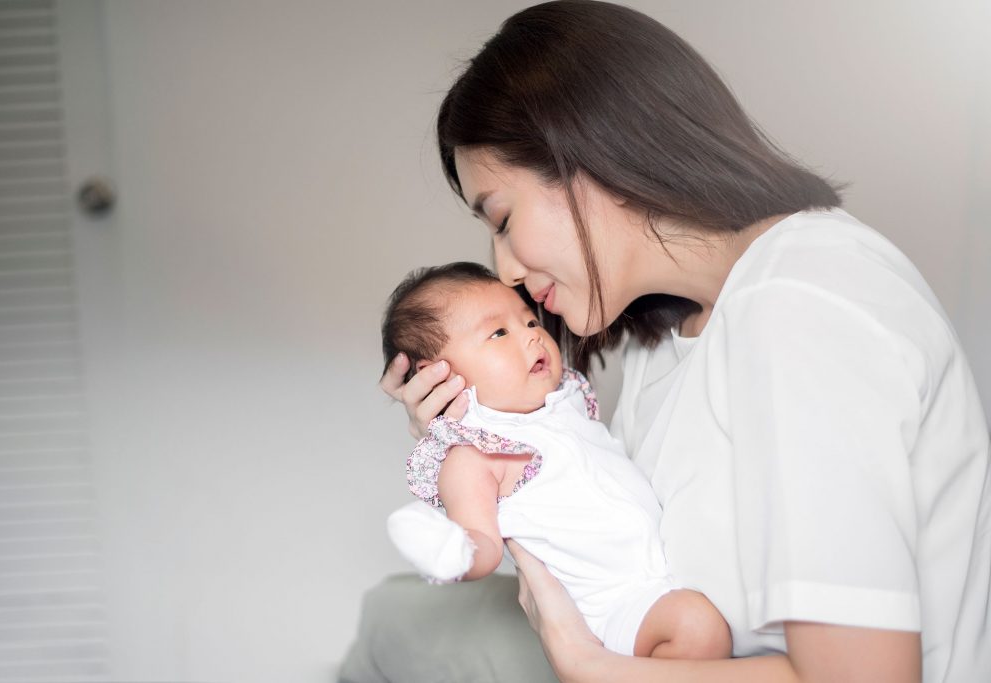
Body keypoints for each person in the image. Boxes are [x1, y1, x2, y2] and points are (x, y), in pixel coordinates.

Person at [361, 2, 990, 682]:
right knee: (396, 618)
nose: (506, 269)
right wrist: (473, 432)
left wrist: (589, 666)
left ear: (590, 151)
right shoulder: (662, 342)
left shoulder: (802, 303)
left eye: (504, 218)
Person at [380, 261, 732, 658]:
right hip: (613, 602)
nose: (533, 338)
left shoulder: (562, 403)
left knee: (706, 621)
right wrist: (450, 551)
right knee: (697, 628)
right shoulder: (475, 452)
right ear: (439, 375)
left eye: (530, 323)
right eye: (499, 332)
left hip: (662, 574)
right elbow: (482, 540)